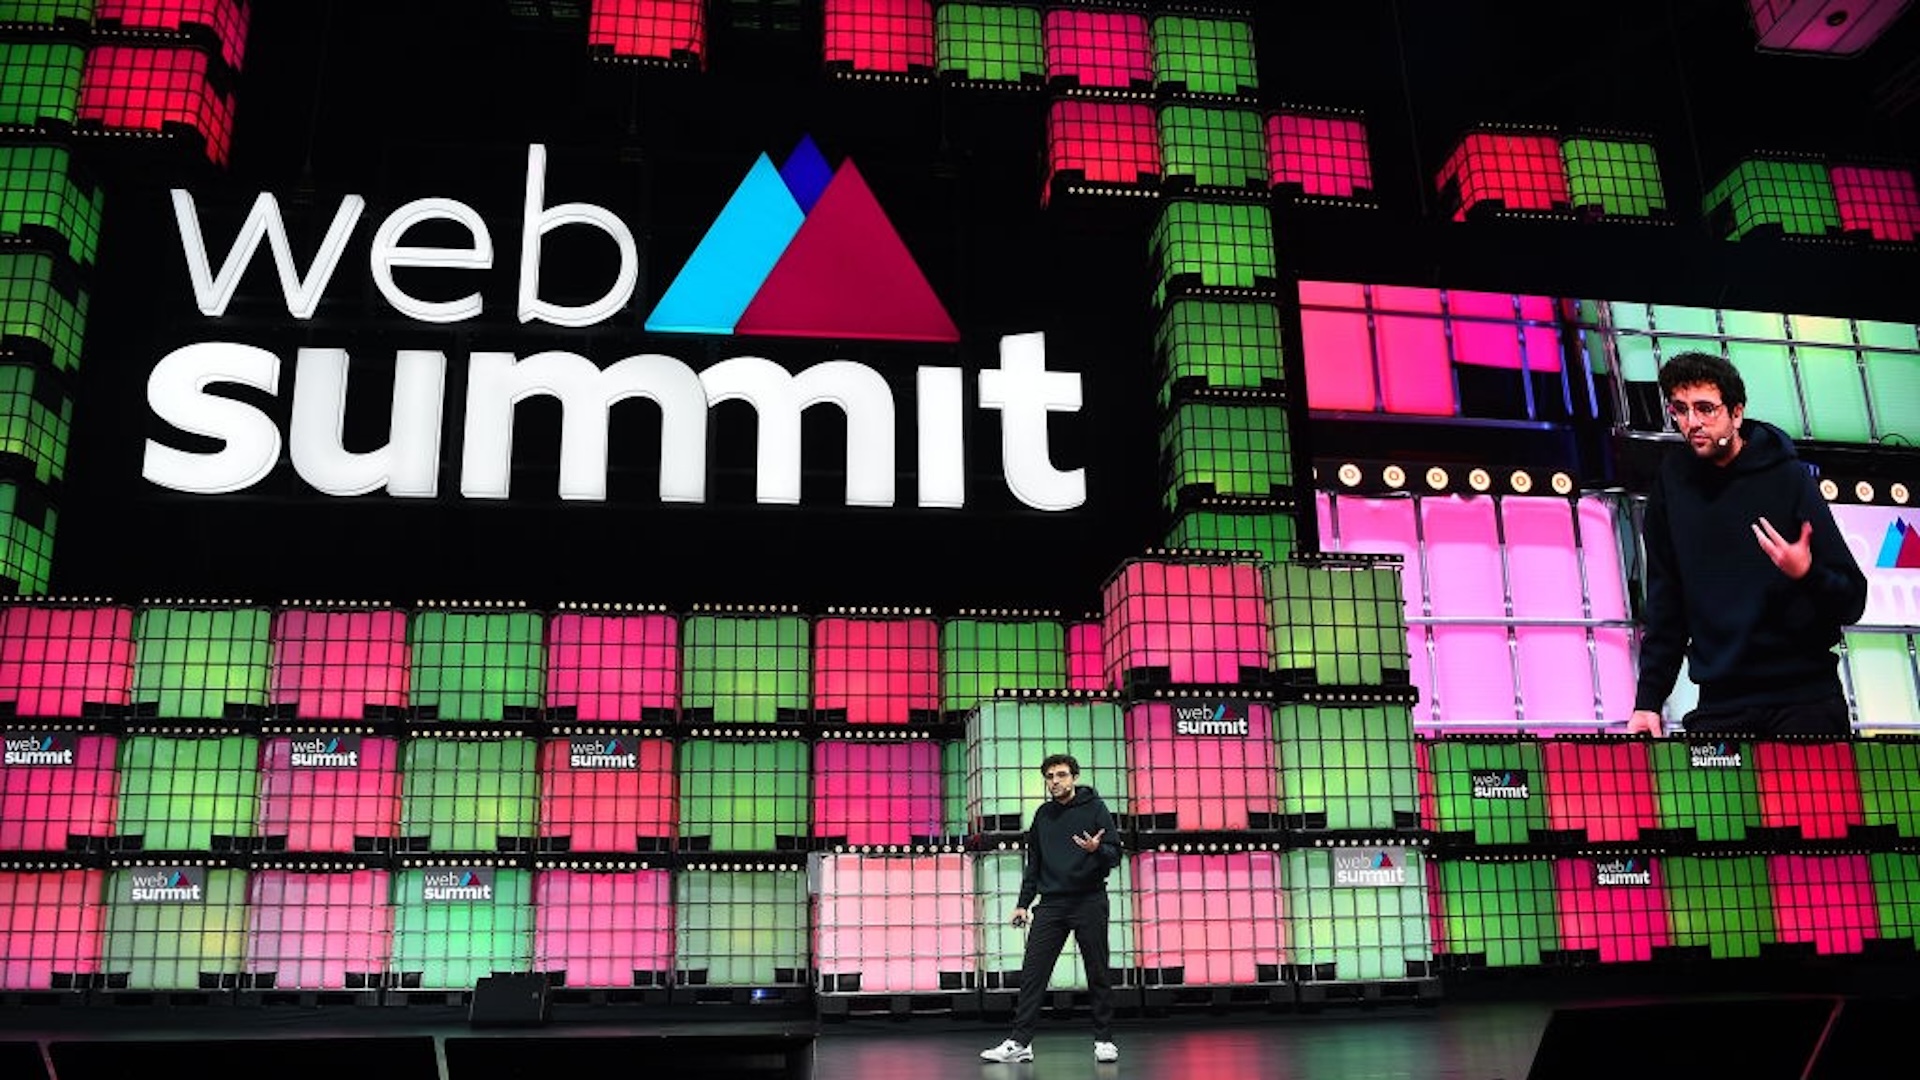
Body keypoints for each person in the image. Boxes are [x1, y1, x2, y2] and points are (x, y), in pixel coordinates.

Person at [1626, 351, 1868, 737]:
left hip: (1804, 699)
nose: (1692, 422)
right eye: (1680, 410)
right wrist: (1648, 701)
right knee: (1706, 776)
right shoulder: (1672, 484)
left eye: (1706, 408)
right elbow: (1666, 602)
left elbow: (1853, 599)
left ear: (1736, 413)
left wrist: (1806, 572)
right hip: (1721, 703)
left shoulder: (1788, 478)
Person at [979, 753, 1122, 1064]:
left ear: (1074, 777)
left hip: (1089, 899)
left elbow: (1115, 855)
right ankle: (1020, 1042)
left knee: (1097, 971)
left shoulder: (1095, 809)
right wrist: (1022, 904)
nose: (1055, 781)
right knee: (1033, 973)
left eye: (1061, 775)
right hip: (1052, 904)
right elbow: (1035, 864)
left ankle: (1104, 1039)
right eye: (1050, 777)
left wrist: (1097, 849)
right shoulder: (1043, 815)